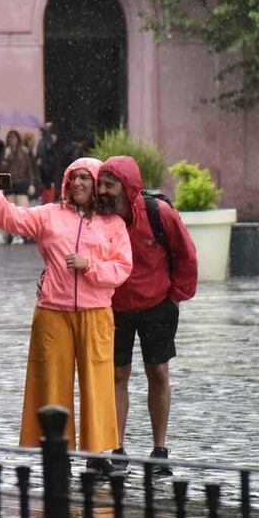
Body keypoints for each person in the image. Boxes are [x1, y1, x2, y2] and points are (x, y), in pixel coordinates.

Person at [0, 157, 133, 474]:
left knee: (97, 383)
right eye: (73, 178)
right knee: (52, 382)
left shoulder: (113, 225)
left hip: (95, 312)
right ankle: (56, 451)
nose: (77, 183)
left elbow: (122, 268)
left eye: (85, 178)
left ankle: (97, 452)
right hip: (53, 312)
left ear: (96, 185)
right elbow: (14, 219)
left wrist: (89, 266)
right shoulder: (50, 215)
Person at [97, 155, 198, 475]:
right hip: (114, 308)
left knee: (158, 373)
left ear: (128, 188)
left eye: (109, 185)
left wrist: (175, 297)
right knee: (116, 376)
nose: (102, 191)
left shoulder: (159, 214)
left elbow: (186, 255)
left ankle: (159, 449)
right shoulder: (100, 220)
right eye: (100, 184)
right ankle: (117, 448)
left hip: (158, 306)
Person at [0, 130, 36, 244]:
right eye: (10, 138)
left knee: (23, 210)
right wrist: (6, 158)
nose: (12, 140)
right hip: (9, 183)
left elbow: (29, 169)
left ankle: (22, 234)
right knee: (11, 211)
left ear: (18, 139)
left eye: (14, 138)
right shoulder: (5, 153)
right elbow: (2, 170)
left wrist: (31, 184)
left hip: (21, 183)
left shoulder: (23, 152)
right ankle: (15, 235)